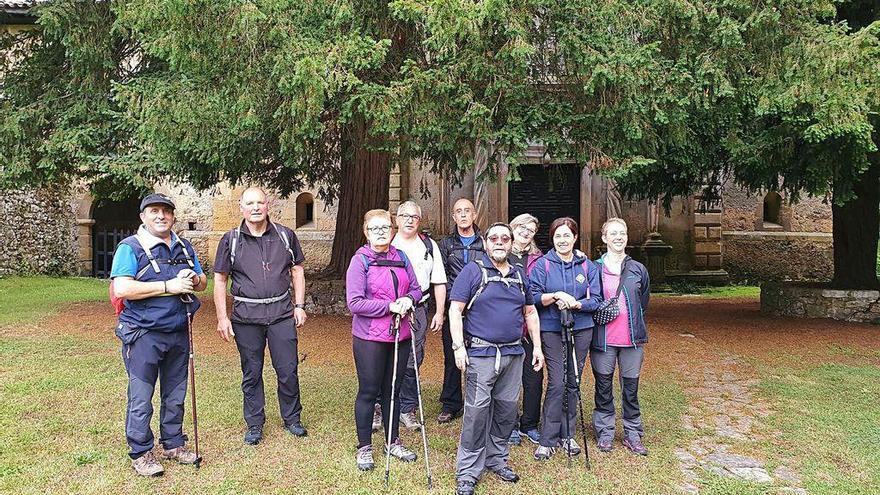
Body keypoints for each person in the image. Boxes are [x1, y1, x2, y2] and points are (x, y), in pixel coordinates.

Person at [110, 193, 208, 476]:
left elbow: (201, 283)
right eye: (154, 211)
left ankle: (173, 443)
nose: (161, 216)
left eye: (166, 211)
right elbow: (123, 289)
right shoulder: (130, 247)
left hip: (178, 330)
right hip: (143, 333)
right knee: (141, 396)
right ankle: (140, 452)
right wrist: (169, 287)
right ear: (143, 216)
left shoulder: (184, 246)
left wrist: (195, 280)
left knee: (175, 393)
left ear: (173, 217)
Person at [449, 222, 544, 495]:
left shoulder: (519, 274)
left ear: (511, 243)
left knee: (505, 411)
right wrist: (458, 348)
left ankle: (497, 460)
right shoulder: (473, 271)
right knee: (477, 413)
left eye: (505, 238)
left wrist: (536, 347)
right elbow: (455, 311)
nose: (499, 242)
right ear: (486, 243)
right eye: (494, 238)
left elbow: (530, 313)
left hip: (514, 354)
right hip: (481, 354)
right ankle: (467, 472)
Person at [213, 187, 309, 445]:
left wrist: (299, 306)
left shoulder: (286, 236)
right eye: (250, 203)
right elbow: (220, 280)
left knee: (288, 370)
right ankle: (255, 423)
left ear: (268, 205)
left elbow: (297, 271)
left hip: (281, 315)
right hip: (246, 319)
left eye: (260, 202)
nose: (256, 208)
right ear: (241, 207)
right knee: (252, 372)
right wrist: (223, 318)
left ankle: (292, 419)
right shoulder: (230, 240)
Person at [346, 209, 423, 471]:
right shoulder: (360, 260)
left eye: (385, 227)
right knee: (369, 391)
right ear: (366, 232)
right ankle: (365, 447)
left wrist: (409, 300)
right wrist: (390, 306)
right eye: (374, 228)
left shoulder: (401, 257)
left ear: (392, 230)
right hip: (370, 338)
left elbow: (416, 288)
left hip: (400, 336)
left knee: (394, 390)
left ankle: (393, 442)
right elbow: (355, 302)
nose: (381, 232)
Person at [529, 217, 602, 460]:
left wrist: (577, 303)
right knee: (557, 382)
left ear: (575, 237)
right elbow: (535, 297)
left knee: (574, 381)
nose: (562, 240)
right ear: (553, 239)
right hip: (551, 328)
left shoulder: (587, 266)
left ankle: (567, 434)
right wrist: (555, 296)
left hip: (581, 328)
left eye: (567, 235)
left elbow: (597, 300)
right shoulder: (543, 265)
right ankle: (547, 438)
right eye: (558, 236)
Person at [591, 217, 651, 455]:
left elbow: (644, 301)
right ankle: (605, 431)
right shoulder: (594, 268)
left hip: (631, 340)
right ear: (604, 238)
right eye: (613, 233)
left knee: (631, 388)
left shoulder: (638, 268)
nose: (618, 237)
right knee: (603, 386)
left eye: (622, 233)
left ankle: (632, 432)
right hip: (603, 339)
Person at [391, 200, 447, 430]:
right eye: (404, 215)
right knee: (384, 357)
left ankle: (407, 408)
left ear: (419, 221)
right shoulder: (387, 243)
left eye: (414, 217)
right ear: (396, 219)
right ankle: (379, 405)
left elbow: (439, 281)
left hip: (419, 309)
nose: (409, 220)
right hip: (390, 309)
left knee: (414, 358)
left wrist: (440, 312)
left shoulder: (429, 245)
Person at [437, 198, 485, 423]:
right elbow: (441, 275)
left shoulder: (485, 242)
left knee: (479, 356)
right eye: (459, 212)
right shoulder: (445, 244)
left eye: (467, 211)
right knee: (452, 354)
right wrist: (457, 295)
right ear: (454, 217)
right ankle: (451, 403)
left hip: (479, 307)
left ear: (474, 215)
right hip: (454, 306)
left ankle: (478, 401)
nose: (463, 215)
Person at [506, 213, 544, 446]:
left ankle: (529, 424)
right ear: (513, 228)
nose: (526, 232)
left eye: (531, 229)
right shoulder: (500, 253)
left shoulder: (540, 259)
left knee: (533, 379)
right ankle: (508, 425)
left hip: (531, 328)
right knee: (508, 381)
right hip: (506, 327)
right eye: (522, 227)